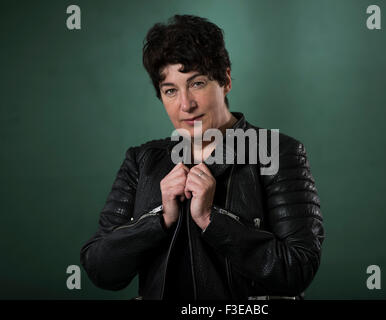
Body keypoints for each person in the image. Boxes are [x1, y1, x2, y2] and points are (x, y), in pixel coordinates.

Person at [80, 14, 324, 300]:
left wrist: (212, 219)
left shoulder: (277, 152)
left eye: (197, 83)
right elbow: (100, 269)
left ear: (226, 80)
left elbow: (298, 268)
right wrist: (159, 219)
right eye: (171, 90)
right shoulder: (141, 161)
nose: (186, 104)